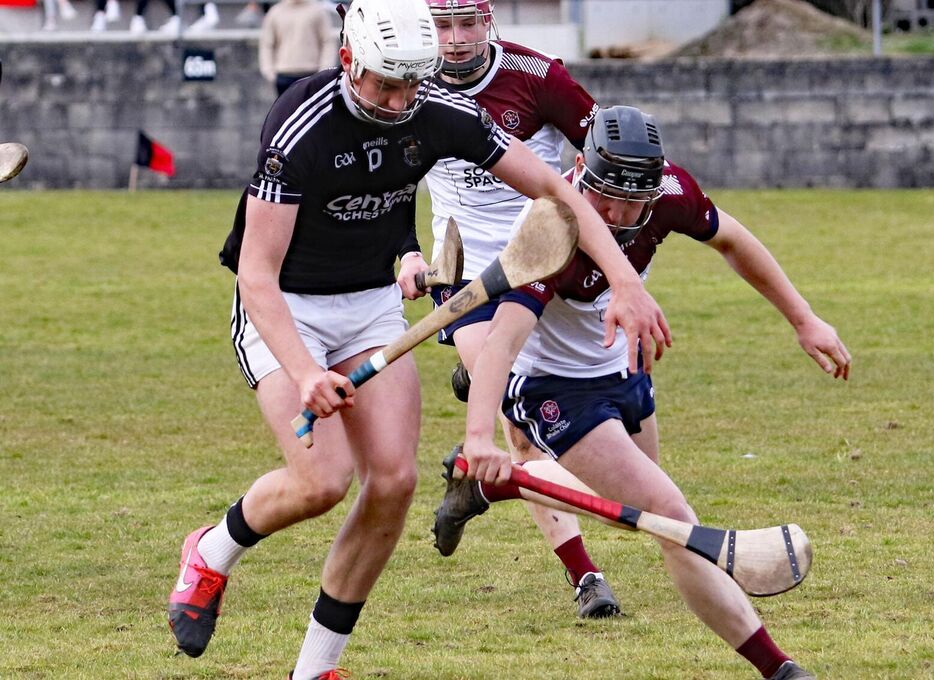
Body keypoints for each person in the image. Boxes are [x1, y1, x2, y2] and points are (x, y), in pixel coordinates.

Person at [165, 0, 670, 675]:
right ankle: (211, 552)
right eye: (384, 84)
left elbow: (554, 187)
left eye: (412, 82)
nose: (400, 100)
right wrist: (306, 373)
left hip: (370, 306)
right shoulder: (301, 123)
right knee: (322, 480)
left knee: (395, 481)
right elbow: (256, 273)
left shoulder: (438, 110)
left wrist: (625, 282)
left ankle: (316, 668)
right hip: (287, 306)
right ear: (350, 61)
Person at [436, 105, 851, 680]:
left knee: (631, 517)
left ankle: (485, 488)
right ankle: (778, 668)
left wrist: (803, 319)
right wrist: (480, 432)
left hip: (624, 367)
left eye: (634, 201)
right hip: (555, 387)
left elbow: (732, 239)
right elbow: (503, 343)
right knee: (672, 520)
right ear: (580, 168)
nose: (619, 214)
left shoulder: (668, 192)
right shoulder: (549, 227)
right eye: (606, 197)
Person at [419, 0, 621, 619]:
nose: (454, 41)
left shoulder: (540, 78)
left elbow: (604, 155)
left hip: (546, 271)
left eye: (466, 24)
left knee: (528, 411)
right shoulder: (409, 84)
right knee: (522, 426)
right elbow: (389, 184)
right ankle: (586, 578)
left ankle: (472, 483)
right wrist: (405, 252)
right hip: (467, 283)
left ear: (489, 21)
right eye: (441, 26)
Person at [258, 0, 337, 97]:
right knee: (285, 111)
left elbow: (327, 41)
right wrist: (269, 71)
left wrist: (324, 69)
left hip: (311, 73)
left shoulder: (318, 11)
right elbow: (267, 44)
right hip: (284, 75)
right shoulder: (275, 13)